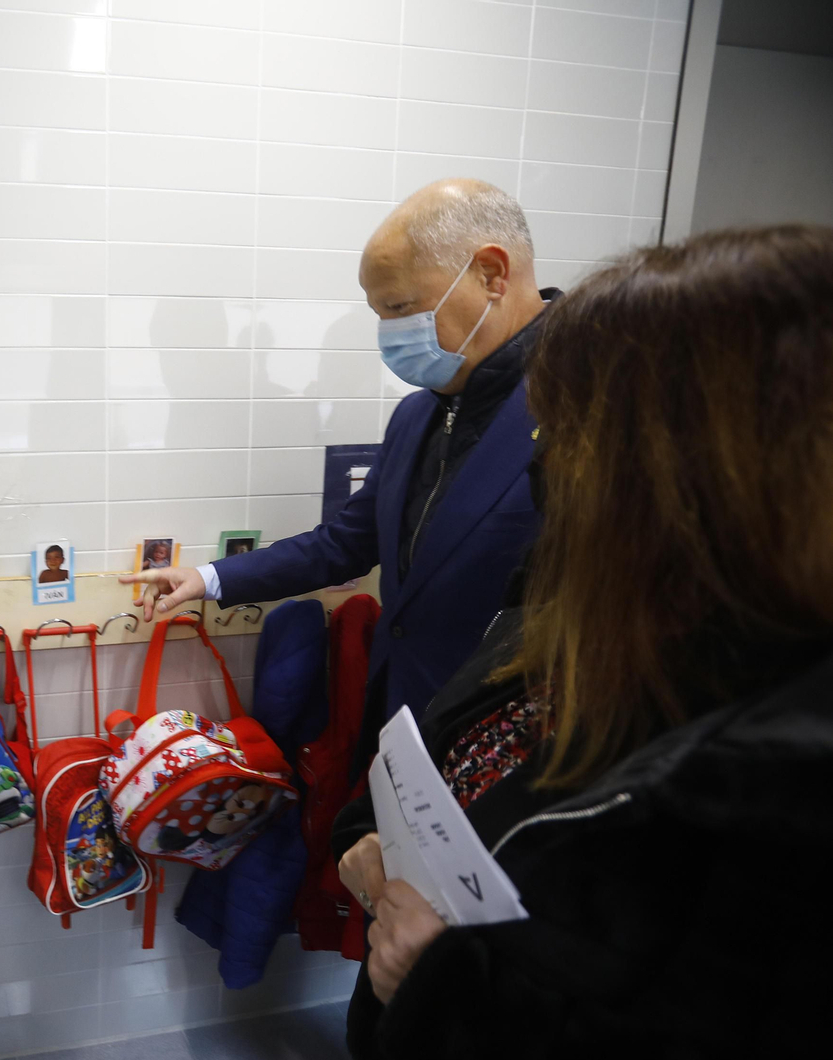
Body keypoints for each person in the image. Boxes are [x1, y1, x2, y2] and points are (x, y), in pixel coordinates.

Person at [332, 226, 833, 1060]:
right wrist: (371, 822)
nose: (551, 462)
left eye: (582, 430)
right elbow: (473, 722)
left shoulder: (780, 787)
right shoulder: (595, 597)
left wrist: (444, 988)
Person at [123, 178, 554, 738]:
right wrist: (208, 578)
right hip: (400, 719)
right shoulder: (419, 414)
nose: (390, 334)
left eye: (402, 308)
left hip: (508, 744)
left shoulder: (597, 414)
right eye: (379, 313)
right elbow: (348, 542)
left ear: (492, 274)